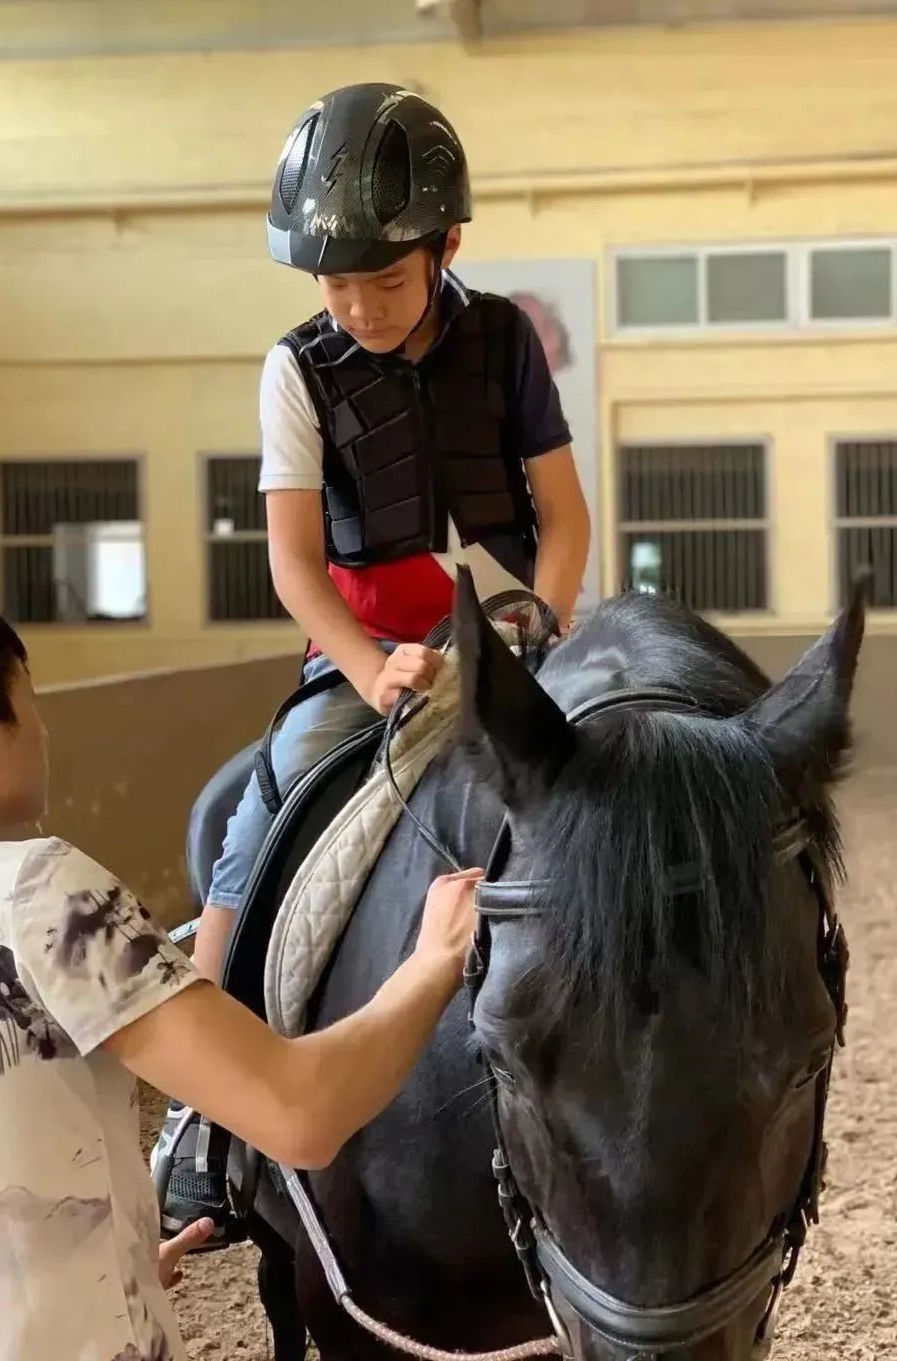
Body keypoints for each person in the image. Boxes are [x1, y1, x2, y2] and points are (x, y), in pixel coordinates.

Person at [153, 81, 591, 1237]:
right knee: (264, 813)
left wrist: (539, 634)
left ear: (446, 245)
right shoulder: (294, 371)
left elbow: (566, 517)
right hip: (366, 658)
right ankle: (203, 1123)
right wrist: (367, 670)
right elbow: (295, 565)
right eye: (334, 285)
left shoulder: (505, 343)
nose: (358, 306)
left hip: (511, 641)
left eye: (385, 280)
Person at [0, 594, 481, 1361]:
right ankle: (201, 1137)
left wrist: (105, 1263)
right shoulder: (43, 892)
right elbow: (299, 1113)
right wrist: (432, 963)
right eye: (27, 705)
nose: (41, 729)